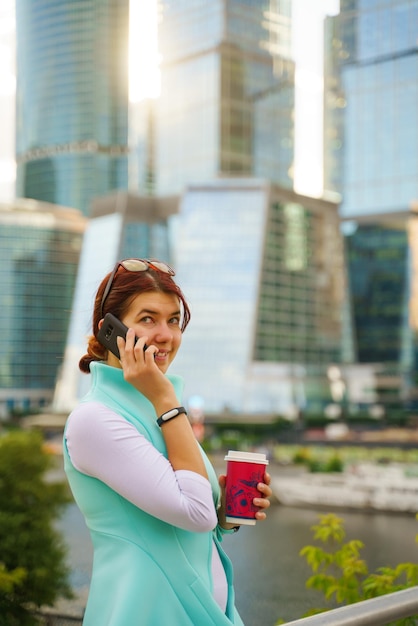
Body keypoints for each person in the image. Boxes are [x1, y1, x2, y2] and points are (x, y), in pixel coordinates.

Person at [63, 258, 272, 625]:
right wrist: (165, 400)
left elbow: (193, 519)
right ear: (109, 329)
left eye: (173, 320)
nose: (166, 335)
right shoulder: (95, 419)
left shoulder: (158, 410)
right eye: (147, 319)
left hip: (201, 612)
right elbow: (194, 512)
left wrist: (225, 517)